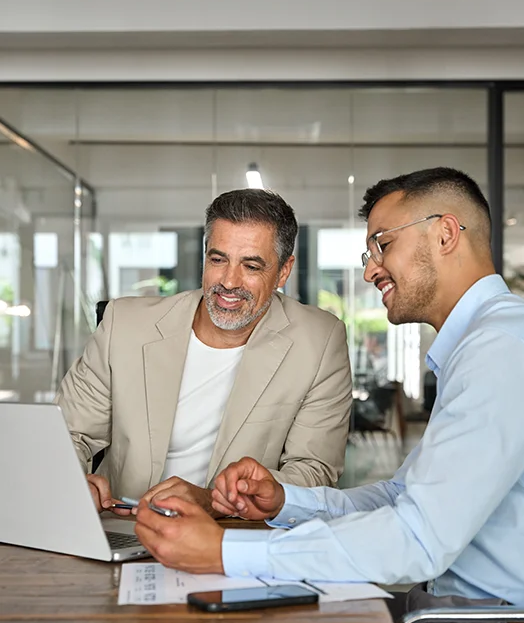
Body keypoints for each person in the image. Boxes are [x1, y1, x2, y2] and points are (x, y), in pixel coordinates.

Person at [135, 167, 524, 623]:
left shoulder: (502, 349)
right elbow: (399, 499)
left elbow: (418, 538)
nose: (371, 271)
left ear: (446, 233)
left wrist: (224, 550)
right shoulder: (490, 343)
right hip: (447, 616)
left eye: (382, 245)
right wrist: (283, 501)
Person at [57, 188, 352, 517]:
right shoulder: (123, 325)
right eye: (218, 259)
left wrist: (212, 500)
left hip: (235, 537)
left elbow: (313, 471)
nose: (228, 281)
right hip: (125, 526)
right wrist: (71, 480)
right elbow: (69, 433)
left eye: (251, 266)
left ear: (284, 270)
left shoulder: (320, 340)